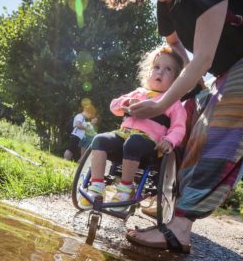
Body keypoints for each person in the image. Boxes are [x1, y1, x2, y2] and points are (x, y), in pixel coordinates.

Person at [102, 0, 243, 252]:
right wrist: (191, 78)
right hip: (228, 64)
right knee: (188, 117)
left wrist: (161, 104)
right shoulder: (164, 3)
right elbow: (174, 43)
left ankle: (180, 228)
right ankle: (170, 201)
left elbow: (203, 59)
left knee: (217, 132)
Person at [78, 46, 187, 211]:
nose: (160, 72)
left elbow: (179, 128)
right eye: (156, 67)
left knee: (134, 142)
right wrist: (127, 103)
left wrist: (169, 141)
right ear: (148, 72)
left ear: (176, 80)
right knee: (100, 139)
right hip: (123, 136)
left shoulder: (174, 103)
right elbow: (114, 106)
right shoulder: (138, 93)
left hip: (149, 145)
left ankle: (126, 189)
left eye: (168, 69)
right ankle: (96, 188)